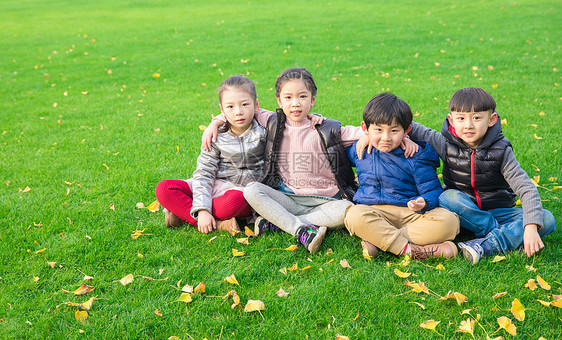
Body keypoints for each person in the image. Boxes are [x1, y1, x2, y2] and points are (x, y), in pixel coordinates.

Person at [205, 68, 417, 253]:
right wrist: (216, 121)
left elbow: (374, 131)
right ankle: (300, 229)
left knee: (347, 212)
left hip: (326, 202)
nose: (295, 104)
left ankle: (281, 223)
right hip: (289, 198)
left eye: (302, 97)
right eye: (288, 98)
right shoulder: (271, 121)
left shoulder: (329, 129)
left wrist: (405, 137)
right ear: (279, 101)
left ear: (313, 99)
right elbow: (240, 109)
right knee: (252, 190)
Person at [407, 87, 556, 264]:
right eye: (461, 118)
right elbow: (407, 126)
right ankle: (498, 234)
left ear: (492, 119)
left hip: (498, 211)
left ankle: (487, 244)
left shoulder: (501, 151)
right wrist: (366, 134)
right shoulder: (445, 144)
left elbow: (526, 188)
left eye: (476, 118)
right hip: (461, 212)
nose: (468, 125)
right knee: (448, 196)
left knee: (546, 219)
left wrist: (531, 228)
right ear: (451, 120)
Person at [344, 93, 459, 260]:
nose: (386, 137)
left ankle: (379, 241)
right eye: (378, 130)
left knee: (449, 222)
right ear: (365, 128)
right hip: (374, 211)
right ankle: (411, 251)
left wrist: (424, 202)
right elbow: (334, 144)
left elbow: (433, 190)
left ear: (407, 131)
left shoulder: (415, 155)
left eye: (394, 131)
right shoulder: (360, 149)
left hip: (411, 215)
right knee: (353, 215)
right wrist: (362, 139)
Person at [154, 75, 265, 234]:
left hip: (241, 191)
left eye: (245, 104)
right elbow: (204, 173)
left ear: (256, 105)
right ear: (222, 109)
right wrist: (202, 210)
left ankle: (182, 214)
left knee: (235, 202)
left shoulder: (266, 130)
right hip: (215, 185)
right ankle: (217, 223)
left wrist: (314, 118)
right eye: (230, 107)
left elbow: (289, 118)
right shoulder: (215, 135)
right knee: (164, 188)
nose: (238, 112)